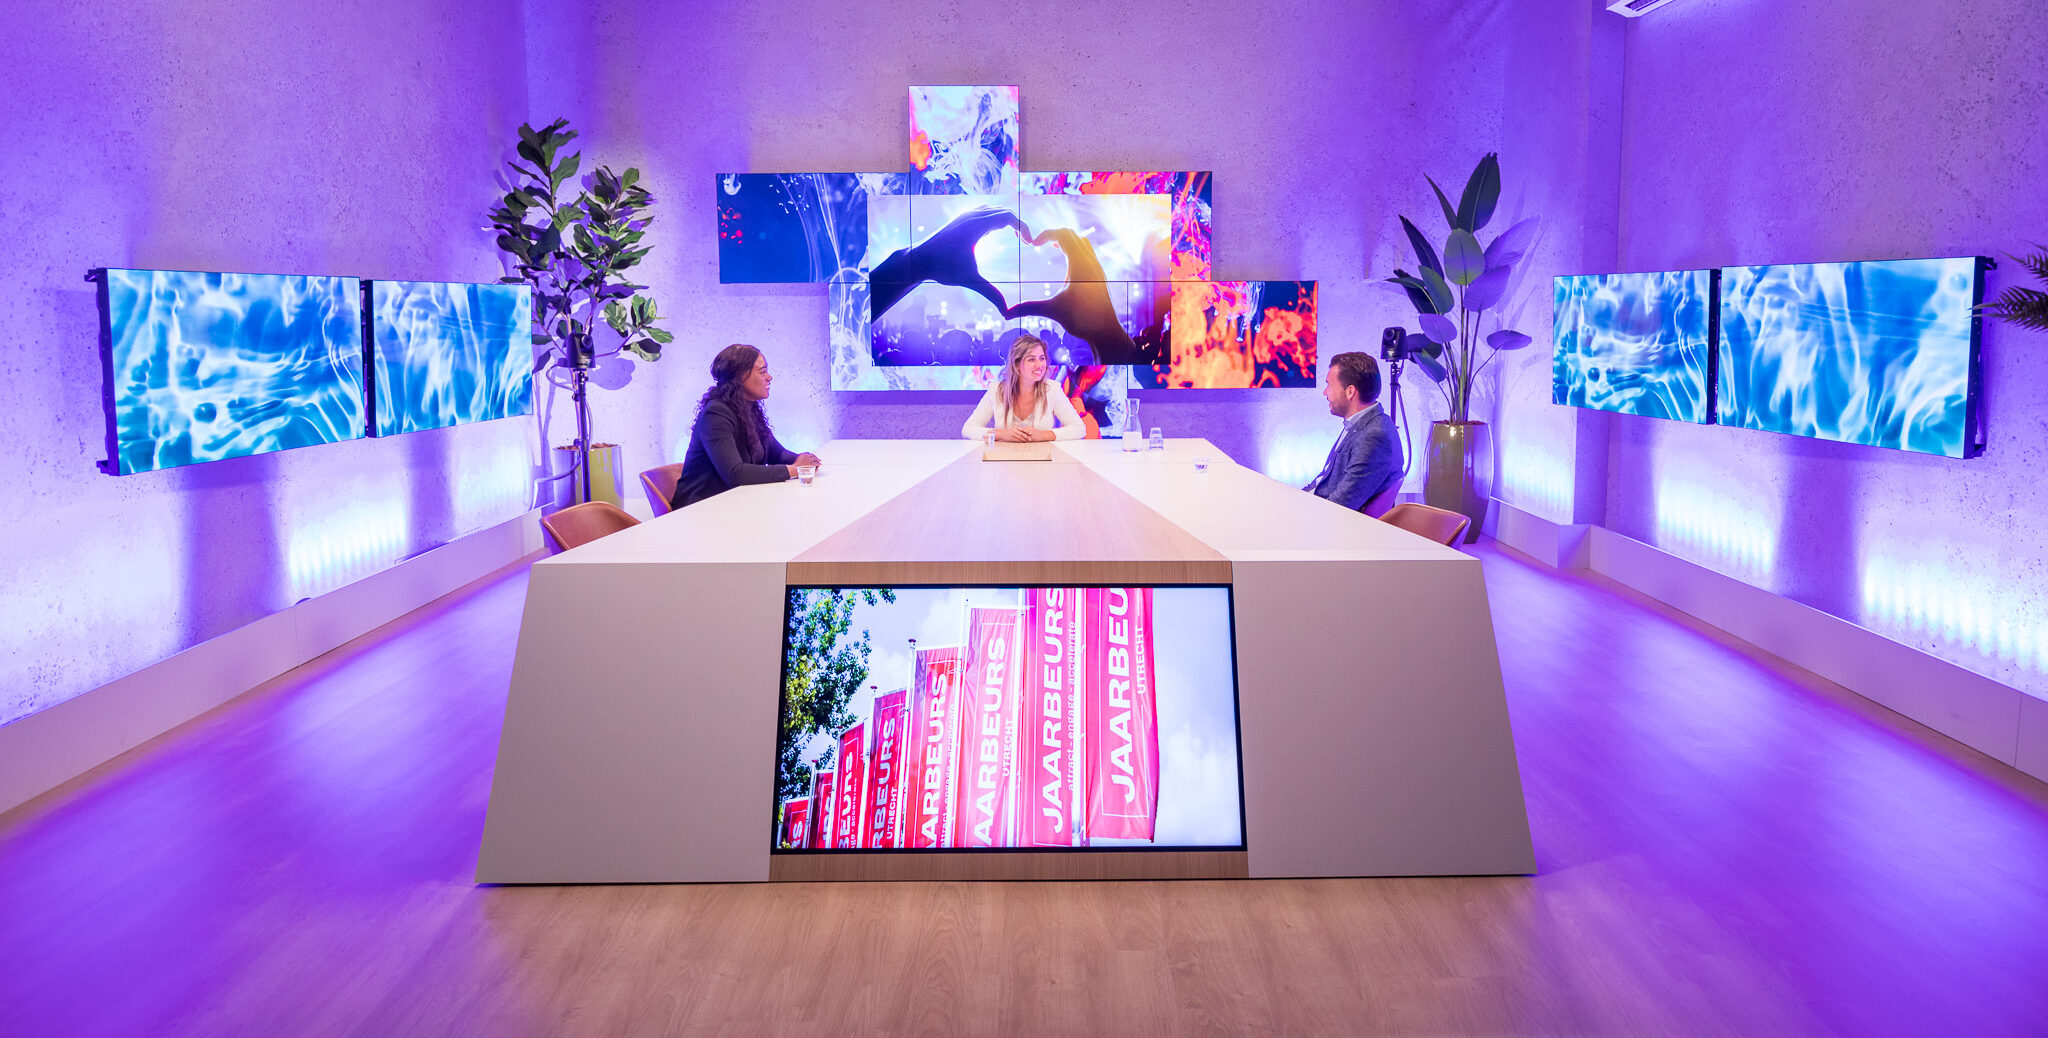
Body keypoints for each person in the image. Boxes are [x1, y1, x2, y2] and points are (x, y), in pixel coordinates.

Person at [670, 344, 820, 510]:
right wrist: (794, 470)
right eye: (763, 372)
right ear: (741, 376)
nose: (769, 377)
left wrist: (804, 461)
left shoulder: (749, 408)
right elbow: (735, 474)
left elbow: (776, 453)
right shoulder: (716, 414)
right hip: (701, 509)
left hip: (735, 504)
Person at [1304, 351, 1402, 513]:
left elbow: (1340, 506)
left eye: (1329, 385)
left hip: (1330, 525)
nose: (1325, 393)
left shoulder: (1374, 436)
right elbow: (1324, 480)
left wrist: (1296, 510)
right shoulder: (1362, 422)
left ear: (1350, 391)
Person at [960, 334, 1087, 442]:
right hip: (1005, 461)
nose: (1039, 365)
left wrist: (1044, 435)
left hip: (1042, 460)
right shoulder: (997, 390)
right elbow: (968, 429)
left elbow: (1079, 429)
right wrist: (1001, 434)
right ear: (1017, 365)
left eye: (1042, 358)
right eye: (1031, 359)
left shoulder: (1052, 389)